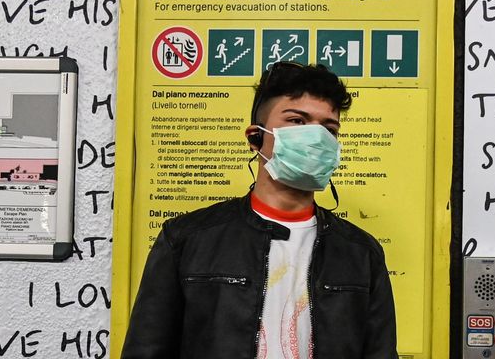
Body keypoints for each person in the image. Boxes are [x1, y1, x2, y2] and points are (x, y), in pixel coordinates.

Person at [122, 61, 397, 358]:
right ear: (256, 137)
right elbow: (146, 350)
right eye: (297, 121)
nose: (317, 138)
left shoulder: (360, 253)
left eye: (329, 128)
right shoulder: (186, 240)